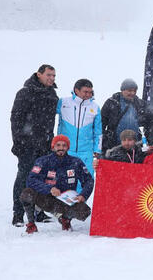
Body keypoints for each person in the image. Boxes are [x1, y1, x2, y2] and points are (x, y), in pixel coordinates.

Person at [10, 64, 59, 226]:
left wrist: (50, 143)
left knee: (43, 180)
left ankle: (39, 212)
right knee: (24, 178)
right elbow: (16, 120)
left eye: (54, 76)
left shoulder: (52, 95)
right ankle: (18, 214)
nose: (51, 78)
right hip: (26, 144)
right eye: (49, 75)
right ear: (39, 74)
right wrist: (18, 143)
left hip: (44, 145)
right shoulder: (25, 93)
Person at [19, 135, 94, 233]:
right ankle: (31, 224)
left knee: (85, 212)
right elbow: (31, 180)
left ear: (68, 147)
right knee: (26, 193)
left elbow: (89, 181)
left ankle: (65, 219)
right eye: (58, 145)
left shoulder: (76, 162)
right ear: (53, 147)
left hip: (66, 201)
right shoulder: (43, 161)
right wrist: (49, 189)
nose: (61, 148)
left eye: (64, 145)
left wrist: (83, 195)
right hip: (46, 199)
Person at [57, 78, 102, 177]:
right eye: (85, 92)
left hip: (86, 152)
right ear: (76, 90)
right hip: (65, 150)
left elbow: (98, 132)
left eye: (90, 92)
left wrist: (97, 150)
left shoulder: (95, 107)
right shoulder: (63, 102)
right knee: (64, 181)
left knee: (86, 182)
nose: (88, 95)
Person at [100, 78, 147, 154]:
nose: (132, 93)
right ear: (122, 90)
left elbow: (146, 122)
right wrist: (104, 140)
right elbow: (101, 122)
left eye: (134, 91)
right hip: (115, 143)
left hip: (136, 144)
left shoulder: (140, 104)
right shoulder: (112, 102)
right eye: (129, 90)